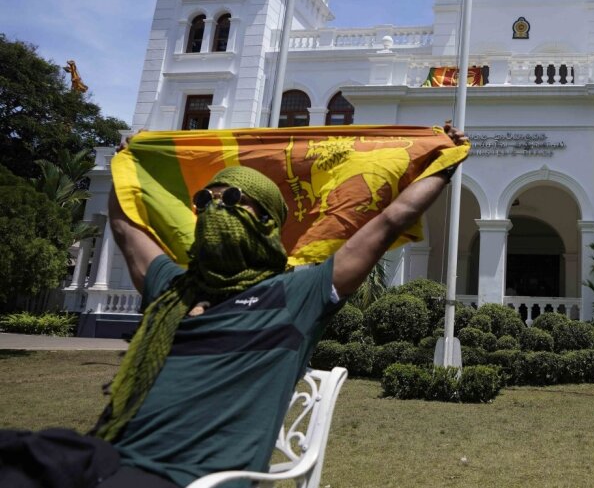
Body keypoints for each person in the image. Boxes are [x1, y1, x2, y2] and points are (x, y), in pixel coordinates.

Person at [0, 125, 467, 488]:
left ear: (267, 222)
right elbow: (125, 231)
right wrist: (126, 164)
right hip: (98, 456)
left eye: (233, 201)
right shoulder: (174, 287)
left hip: (186, 478)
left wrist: (443, 162)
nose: (215, 209)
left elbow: (390, 219)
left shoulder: (297, 295)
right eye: (206, 200)